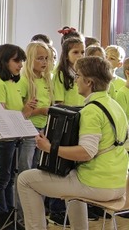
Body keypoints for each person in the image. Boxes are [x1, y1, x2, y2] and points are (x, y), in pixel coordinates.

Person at [18, 56, 129, 230]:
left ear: (89, 82)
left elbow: (86, 152)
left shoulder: (92, 111)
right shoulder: (114, 106)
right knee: (71, 181)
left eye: (78, 76)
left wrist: (49, 147)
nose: (76, 80)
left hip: (96, 184)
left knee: (25, 179)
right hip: (119, 184)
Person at [0, 44, 30, 229]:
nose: (20, 64)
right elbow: (2, 115)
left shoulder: (13, 82)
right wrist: (24, 113)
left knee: (10, 177)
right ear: (4, 62)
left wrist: (25, 110)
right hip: (5, 137)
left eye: (21, 60)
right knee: (3, 177)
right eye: (16, 60)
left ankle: (10, 214)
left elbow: (16, 111)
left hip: (15, 136)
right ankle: (3, 216)